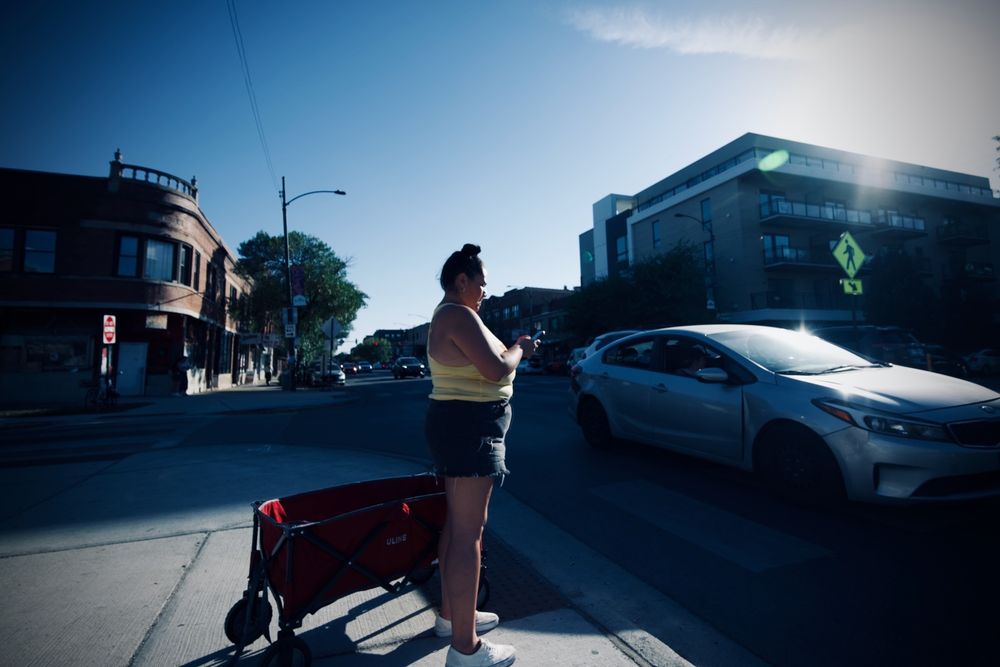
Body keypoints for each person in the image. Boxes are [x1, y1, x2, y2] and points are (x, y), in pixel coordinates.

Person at [425, 243, 536, 667]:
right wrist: (521, 347)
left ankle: (453, 618)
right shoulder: (457, 314)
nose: (486, 291)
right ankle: (465, 648)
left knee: (459, 524)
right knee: (470, 532)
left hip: (459, 424)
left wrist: (509, 351)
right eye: (482, 283)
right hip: (470, 426)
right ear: (462, 281)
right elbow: (496, 369)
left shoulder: (453, 315)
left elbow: (486, 363)